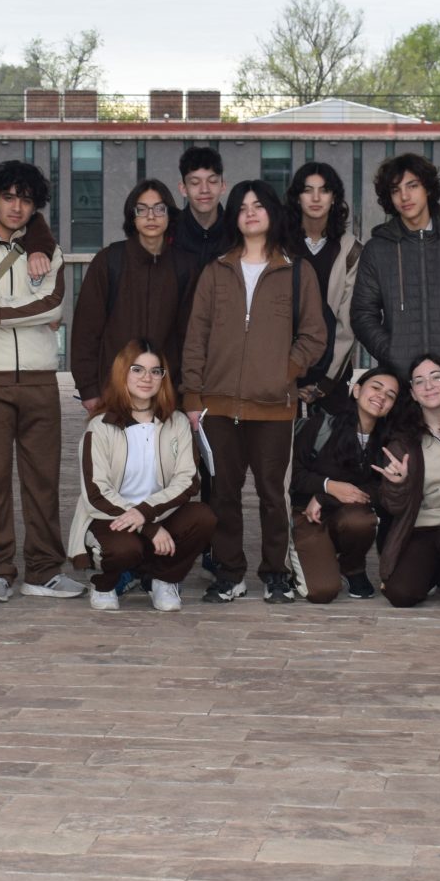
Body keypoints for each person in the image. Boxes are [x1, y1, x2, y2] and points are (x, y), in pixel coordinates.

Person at [181, 179, 327, 604]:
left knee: (272, 496)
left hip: (274, 406)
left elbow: (315, 336)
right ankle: (229, 573)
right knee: (223, 494)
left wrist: (282, 372)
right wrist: (193, 396)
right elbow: (196, 338)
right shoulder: (216, 270)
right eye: (242, 206)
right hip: (219, 404)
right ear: (235, 216)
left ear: (272, 213)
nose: (249, 212)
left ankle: (275, 573)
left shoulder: (296, 270)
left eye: (258, 205)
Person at [0, 160, 79, 603]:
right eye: (8, 197)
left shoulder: (51, 252)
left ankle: (45, 570)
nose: (16, 206)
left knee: (44, 480)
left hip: (41, 380)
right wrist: (13, 306)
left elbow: (53, 306)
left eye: (26, 199)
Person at [68, 341, 217, 612]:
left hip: (158, 513)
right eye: (137, 370)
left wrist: (148, 513)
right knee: (125, 549)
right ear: (122, 373)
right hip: (111, 518)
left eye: (155, 371)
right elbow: (96, 493)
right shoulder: (100, 428)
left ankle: (161, 579)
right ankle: (106, 582)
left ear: (164, 377)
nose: (146, 378)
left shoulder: (177, 423)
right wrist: (146, 525)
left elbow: (188, 480)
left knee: (202, 517)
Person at [70, 178, 197, 413]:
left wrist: (189, 393)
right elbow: (86, 331)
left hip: (167, 395)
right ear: (132, 216)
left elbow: (191, 337)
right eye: (142, 209)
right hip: (114, 393)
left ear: (170, 215)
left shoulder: (185, 266)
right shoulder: (110, 261)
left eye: (159, 209)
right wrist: (89, 390)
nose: (151, 216)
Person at [350, 152, 440, 380]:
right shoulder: (377, 249)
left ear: (428, 189)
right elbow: (363, 314)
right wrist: (393, 353)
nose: (405, 196)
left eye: (412, 186)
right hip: (401, 377)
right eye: (395, 190)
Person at [372, 353, 440, 608]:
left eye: (436, 377)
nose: (428, 386)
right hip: (425, 527)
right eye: (419, 381)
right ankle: (437, 571)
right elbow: (393, 506)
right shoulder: (403, 441)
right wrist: (398, 484)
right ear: (413, 392)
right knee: (400, 594)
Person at [289, 365, 399, 603]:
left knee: (361, 520)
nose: (382, 397)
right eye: (376, 388)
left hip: (345, 514)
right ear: (357, 390)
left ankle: (352, 567)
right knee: (322, 591)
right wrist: (328, 485)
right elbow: (294, 474)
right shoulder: (323, 425)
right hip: (307, 514)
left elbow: (383, 489)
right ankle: (303, 552)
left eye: (390, 395)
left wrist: (325, 496)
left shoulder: (389, 439)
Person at [292, 161, 361, 410]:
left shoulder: (350, 248)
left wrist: (327, 380)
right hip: (283, 374)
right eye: (308, 190)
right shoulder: (280, 245)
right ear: (297, 198)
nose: (316, 197)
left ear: (334, 198)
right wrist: (286, 374)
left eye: (324, 190)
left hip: (333, 372)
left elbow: (347, 323)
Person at [171, 146, 234, 265]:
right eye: (195, 182)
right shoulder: (170, 233)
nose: (204, 189)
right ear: (183, 189)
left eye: (212, 181)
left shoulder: (237, 232)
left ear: (223, 186)